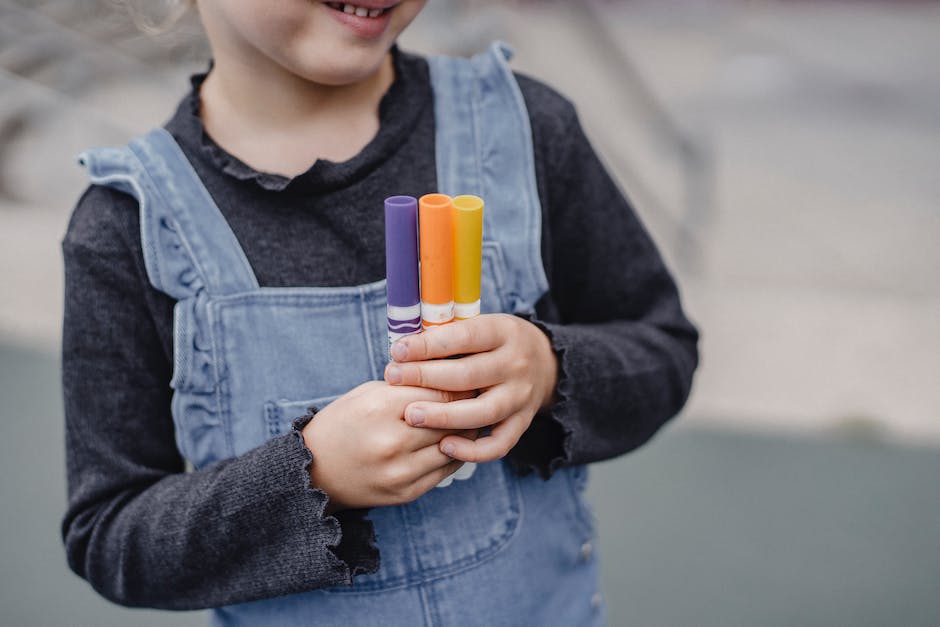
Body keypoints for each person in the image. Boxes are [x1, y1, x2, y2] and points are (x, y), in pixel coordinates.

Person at [61, 1, 699, 625]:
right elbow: (111, 537)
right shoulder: (125, 226)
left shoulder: (527, 127)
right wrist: (308, 476)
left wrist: (547, 370)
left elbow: (663, 350)